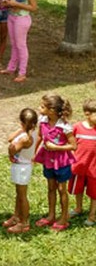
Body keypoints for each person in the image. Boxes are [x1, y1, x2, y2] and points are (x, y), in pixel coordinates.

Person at [34, 93, 77, 231]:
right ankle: (51, 215)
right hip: (48, 160)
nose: (39, 108)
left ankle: (64, 217)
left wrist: (57, 147)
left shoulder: (65, 127)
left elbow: (73, 146)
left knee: (61, 189)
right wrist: (33, 153)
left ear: (52, 110)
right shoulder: (43, 121)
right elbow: (39, 136)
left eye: (42, 106)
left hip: (62, 162)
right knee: (51, 187)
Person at [0, 0, 38, 83]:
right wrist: (8, 3)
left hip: (22, 19)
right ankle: (11, 68)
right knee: (14, 44)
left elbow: (34, 7)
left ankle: (22, 72)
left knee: (21, 45)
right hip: (12, 17)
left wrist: (17, 4)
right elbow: (15, 1)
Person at [3, 108, 38, 234]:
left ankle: (24, 222)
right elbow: (10, 138)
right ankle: (17, 216)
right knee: (18, 194)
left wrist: (11, 149)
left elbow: (12, 150)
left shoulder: (25, 138)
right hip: (20, 165)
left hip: (22, 167)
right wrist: (21, 129)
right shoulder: (31, 132)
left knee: (22, 196)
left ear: (22, 122)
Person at [69, 99, 96, 226]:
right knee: (77, 189)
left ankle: (92, 215)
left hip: (94, 168)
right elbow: (70, 144)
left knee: (94, 193)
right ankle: (78, 208)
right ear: (87, 113)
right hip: (79, 166)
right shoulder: (77, 128)